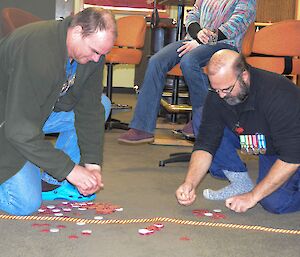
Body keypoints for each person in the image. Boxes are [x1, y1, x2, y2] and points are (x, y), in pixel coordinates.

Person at [0, 7, 117, 215]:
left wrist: (92, 165)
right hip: (8, 120)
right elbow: (19, 129)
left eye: (103, 54)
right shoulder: (38, 51)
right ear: (78, 31)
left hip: (35, 113)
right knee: (23, 203)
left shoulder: (91, 54)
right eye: (95, 51)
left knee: (102, 104)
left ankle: (53, 180)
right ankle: (52, 169)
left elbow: (89, 109)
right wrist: (70, 170)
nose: (98, 59)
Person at [176, 49, 300, 214]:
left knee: (274, 202)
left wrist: (252, 196)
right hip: (260, 140)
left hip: (288, 150)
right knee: (201, 116)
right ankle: (240, 181)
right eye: (216, 89)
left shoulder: (279, 95)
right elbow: (206, 143)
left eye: (226, 89)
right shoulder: (219, 92)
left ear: (244, 76)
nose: (220, 96)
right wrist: (190, 183)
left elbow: (291, 157)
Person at [118, 0, 256, 144]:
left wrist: (205, 40)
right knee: (156, 61)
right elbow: (192, 15)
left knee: (189, 61)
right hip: (195, 41)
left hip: (225, 44)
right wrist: (198, 34)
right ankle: (142, 127)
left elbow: (237, 23)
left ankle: (203, 120)